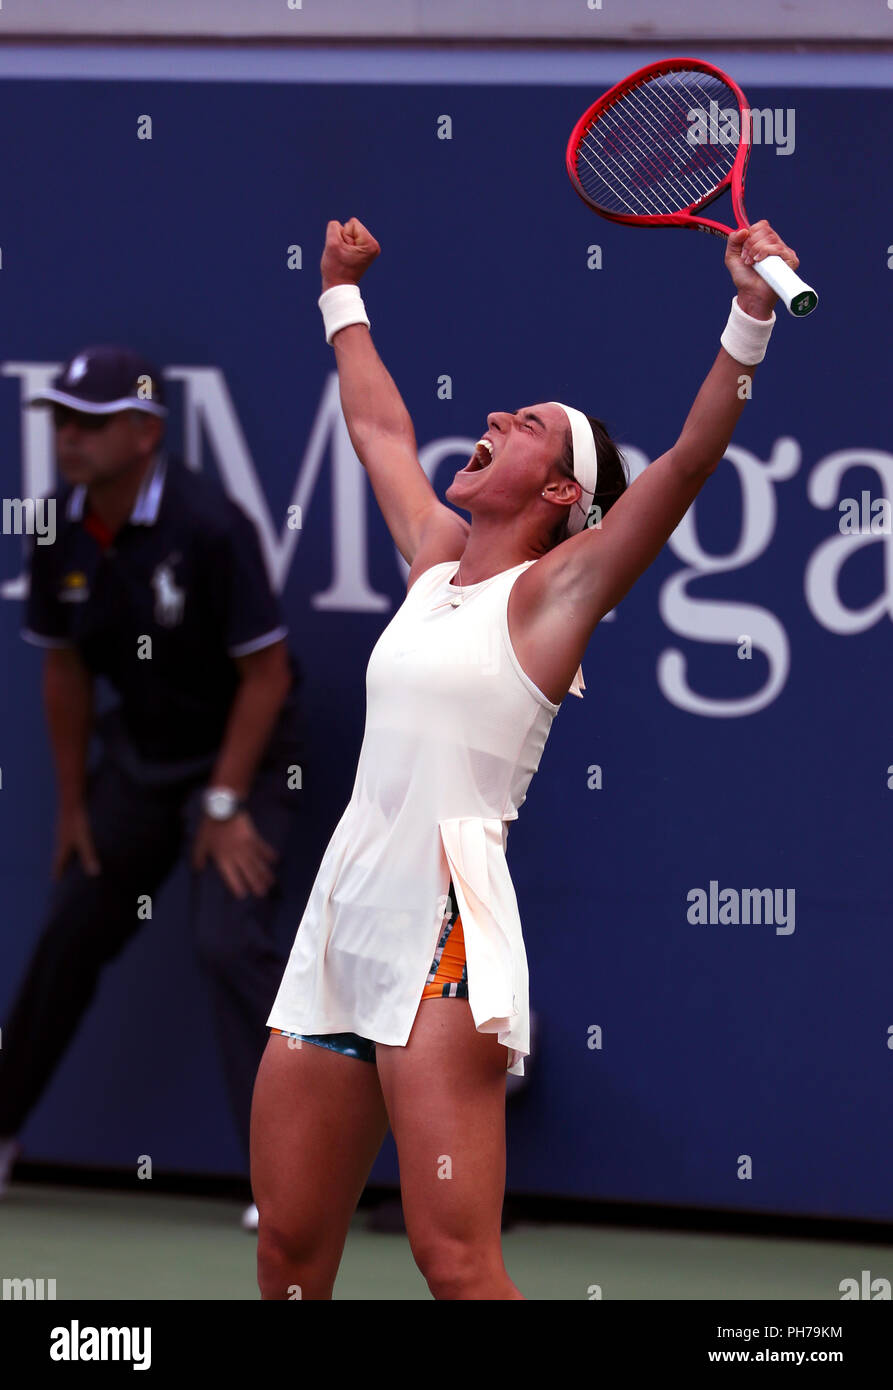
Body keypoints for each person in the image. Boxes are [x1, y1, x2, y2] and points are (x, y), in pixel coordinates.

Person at [249, 215, 797, 1299]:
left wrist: (746, 316)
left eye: (529, 425)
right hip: (343, 914)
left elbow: (685, 463)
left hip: (447, 932)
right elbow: (377, 434)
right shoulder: (434, 559)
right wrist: (340, 295)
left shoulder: (556, 594)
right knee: (289, 1255)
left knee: (453, 1262)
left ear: (560, 495)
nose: (496, 416)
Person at [0, 346, 305, 1230]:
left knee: (225, 943)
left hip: (241, 765)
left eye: (90, 423)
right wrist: (71, 805)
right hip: (136, 766)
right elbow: (64, 670)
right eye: (61, 420)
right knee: (68, 929)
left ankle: (283, 1178)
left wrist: (221, 803)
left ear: (145, 433)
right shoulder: (59, 526)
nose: (69, 437)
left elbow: (267, 676)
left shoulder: (210, 525)